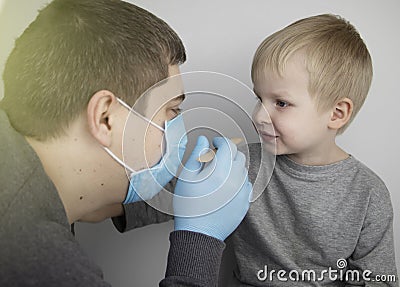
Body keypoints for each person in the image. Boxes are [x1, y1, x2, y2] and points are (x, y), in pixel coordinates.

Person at [0, 0, 252, 286]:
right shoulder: (40, 262)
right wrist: (199, 238)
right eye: (171, 111)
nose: (176, 132)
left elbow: (94, 206)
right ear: (106, 117)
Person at [227, 14, 399, 286]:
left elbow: (378, 280)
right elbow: (168, 199)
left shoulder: (367, 193)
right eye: (259, 98)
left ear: (336, 114)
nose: (258, 115)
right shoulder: (241, 165)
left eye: (281, 103)